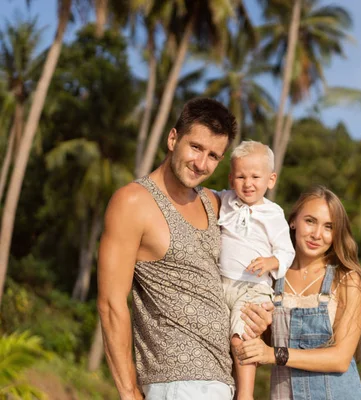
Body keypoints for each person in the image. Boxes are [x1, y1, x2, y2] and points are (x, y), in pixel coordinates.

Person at [97, 98, 272, 400]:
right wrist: (128, 392)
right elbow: (111, 304)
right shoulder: (134, 202)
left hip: (222, 379)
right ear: (172, 138)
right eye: (196, 147)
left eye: (214, 156)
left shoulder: (215, 203)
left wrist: (264, 314)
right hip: (176, 382)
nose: (202, 164)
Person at [236, 186, 361, 400]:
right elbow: (257, 350)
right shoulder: (271, 277)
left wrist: (275, 354)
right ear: (293, 221)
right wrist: (261, 329)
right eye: (310, 221)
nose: (317, 234)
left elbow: (341, 359)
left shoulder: (346, 279)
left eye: (329, 227)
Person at [216, 140, 295, 400]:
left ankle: (245, 394)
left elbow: (287, 252)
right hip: (221, 284)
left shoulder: (273, 213)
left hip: (253, 289)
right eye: (240, 176)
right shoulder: (225, 200)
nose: (247, 183)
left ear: (270, 180)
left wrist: (271, 262)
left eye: (255, 177)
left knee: (243, 336)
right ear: (231, 178)